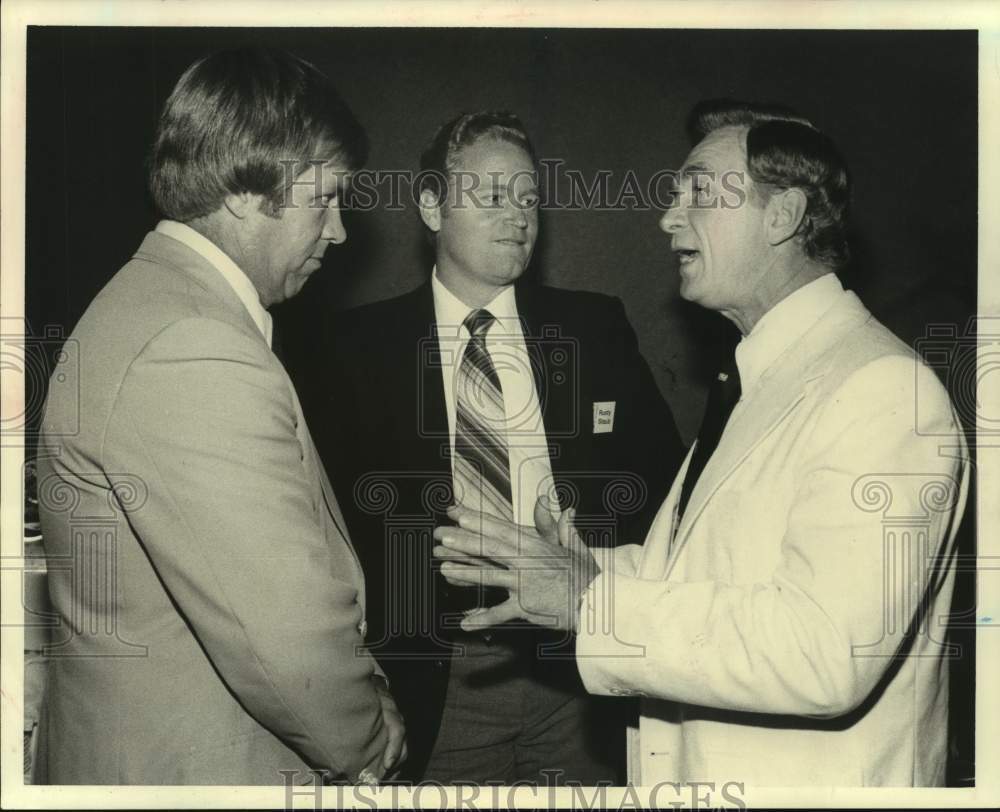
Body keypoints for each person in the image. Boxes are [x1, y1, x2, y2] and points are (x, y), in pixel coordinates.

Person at [433, 100, 969, 787]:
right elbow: (704, 571)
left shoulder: (884, 389)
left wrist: (589, 601)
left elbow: (827, 652)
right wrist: (584, 567)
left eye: (698, 192)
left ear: (782, 216)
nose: (668, 218)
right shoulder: (758, 377)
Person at [35, 47, 404, 785]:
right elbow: (285, 640)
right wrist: (369, 738)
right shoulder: (193, 345)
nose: (338, 231)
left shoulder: (153, 303)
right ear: (244, 191)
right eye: (325, 198)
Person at [300, 111, 684, 783]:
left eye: (530, 199)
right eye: (495, 196)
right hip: (438, 681)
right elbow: (321, 534)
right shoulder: (352, 349)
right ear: (431, 206)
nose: (518, 217)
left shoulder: (593, 327)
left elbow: (664, 489)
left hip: (578, 674)